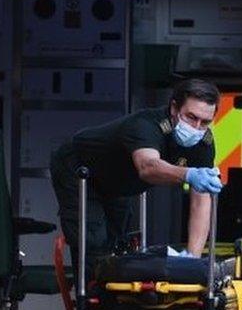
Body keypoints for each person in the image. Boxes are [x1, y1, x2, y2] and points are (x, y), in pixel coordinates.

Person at [50, 79, 224, 272]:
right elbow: (148, 167)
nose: (197, 127)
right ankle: (91, 299)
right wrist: (189, 174)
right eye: (191, 117)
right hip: (79, 170)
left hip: (117, 181)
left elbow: (201, 201)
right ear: (174, 108)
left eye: (205, 122)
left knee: (120, 243)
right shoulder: (145, 125)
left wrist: (192, 261)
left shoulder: (203, 143)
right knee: (93, 240)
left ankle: (114, 297)